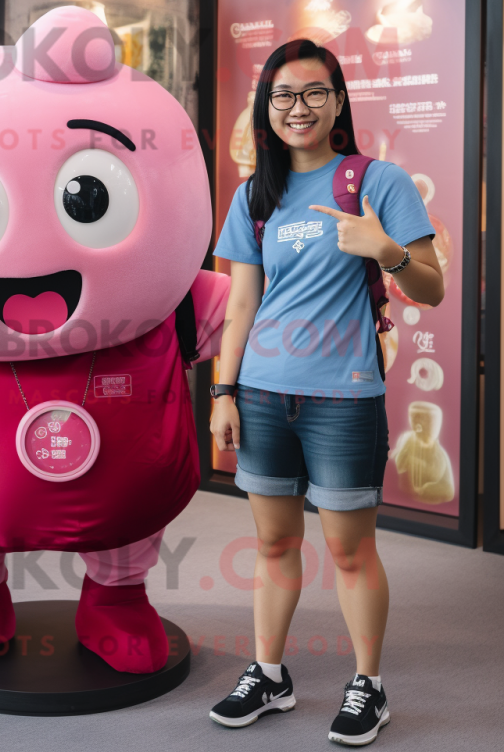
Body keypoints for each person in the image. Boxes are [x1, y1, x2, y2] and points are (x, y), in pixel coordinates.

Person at [208, 39, 443, 746]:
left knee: (349, 550)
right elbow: (241, 304)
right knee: (274, 542)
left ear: (339, 101)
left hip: (343, 397)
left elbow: (431, 289)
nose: (298, 108)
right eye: (283, 96)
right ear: (267, 110)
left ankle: (368, 684)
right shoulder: (255, 195)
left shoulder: (378, 181)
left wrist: (388, 251)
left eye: (314, 93)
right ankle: (270, 673)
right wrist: (222, 390)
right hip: (262, 393)